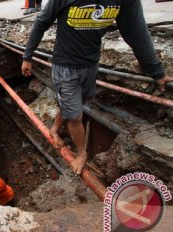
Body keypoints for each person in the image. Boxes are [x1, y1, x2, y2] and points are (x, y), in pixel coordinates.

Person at [21, 0, 173, 175]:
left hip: (91, 65)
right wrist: (27, 57)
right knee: (75, 116)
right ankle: (81, 153)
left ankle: (54, 129)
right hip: (65, 66)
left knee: (74, 106)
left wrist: (157, 72)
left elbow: (137, 33)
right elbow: (42, 22)